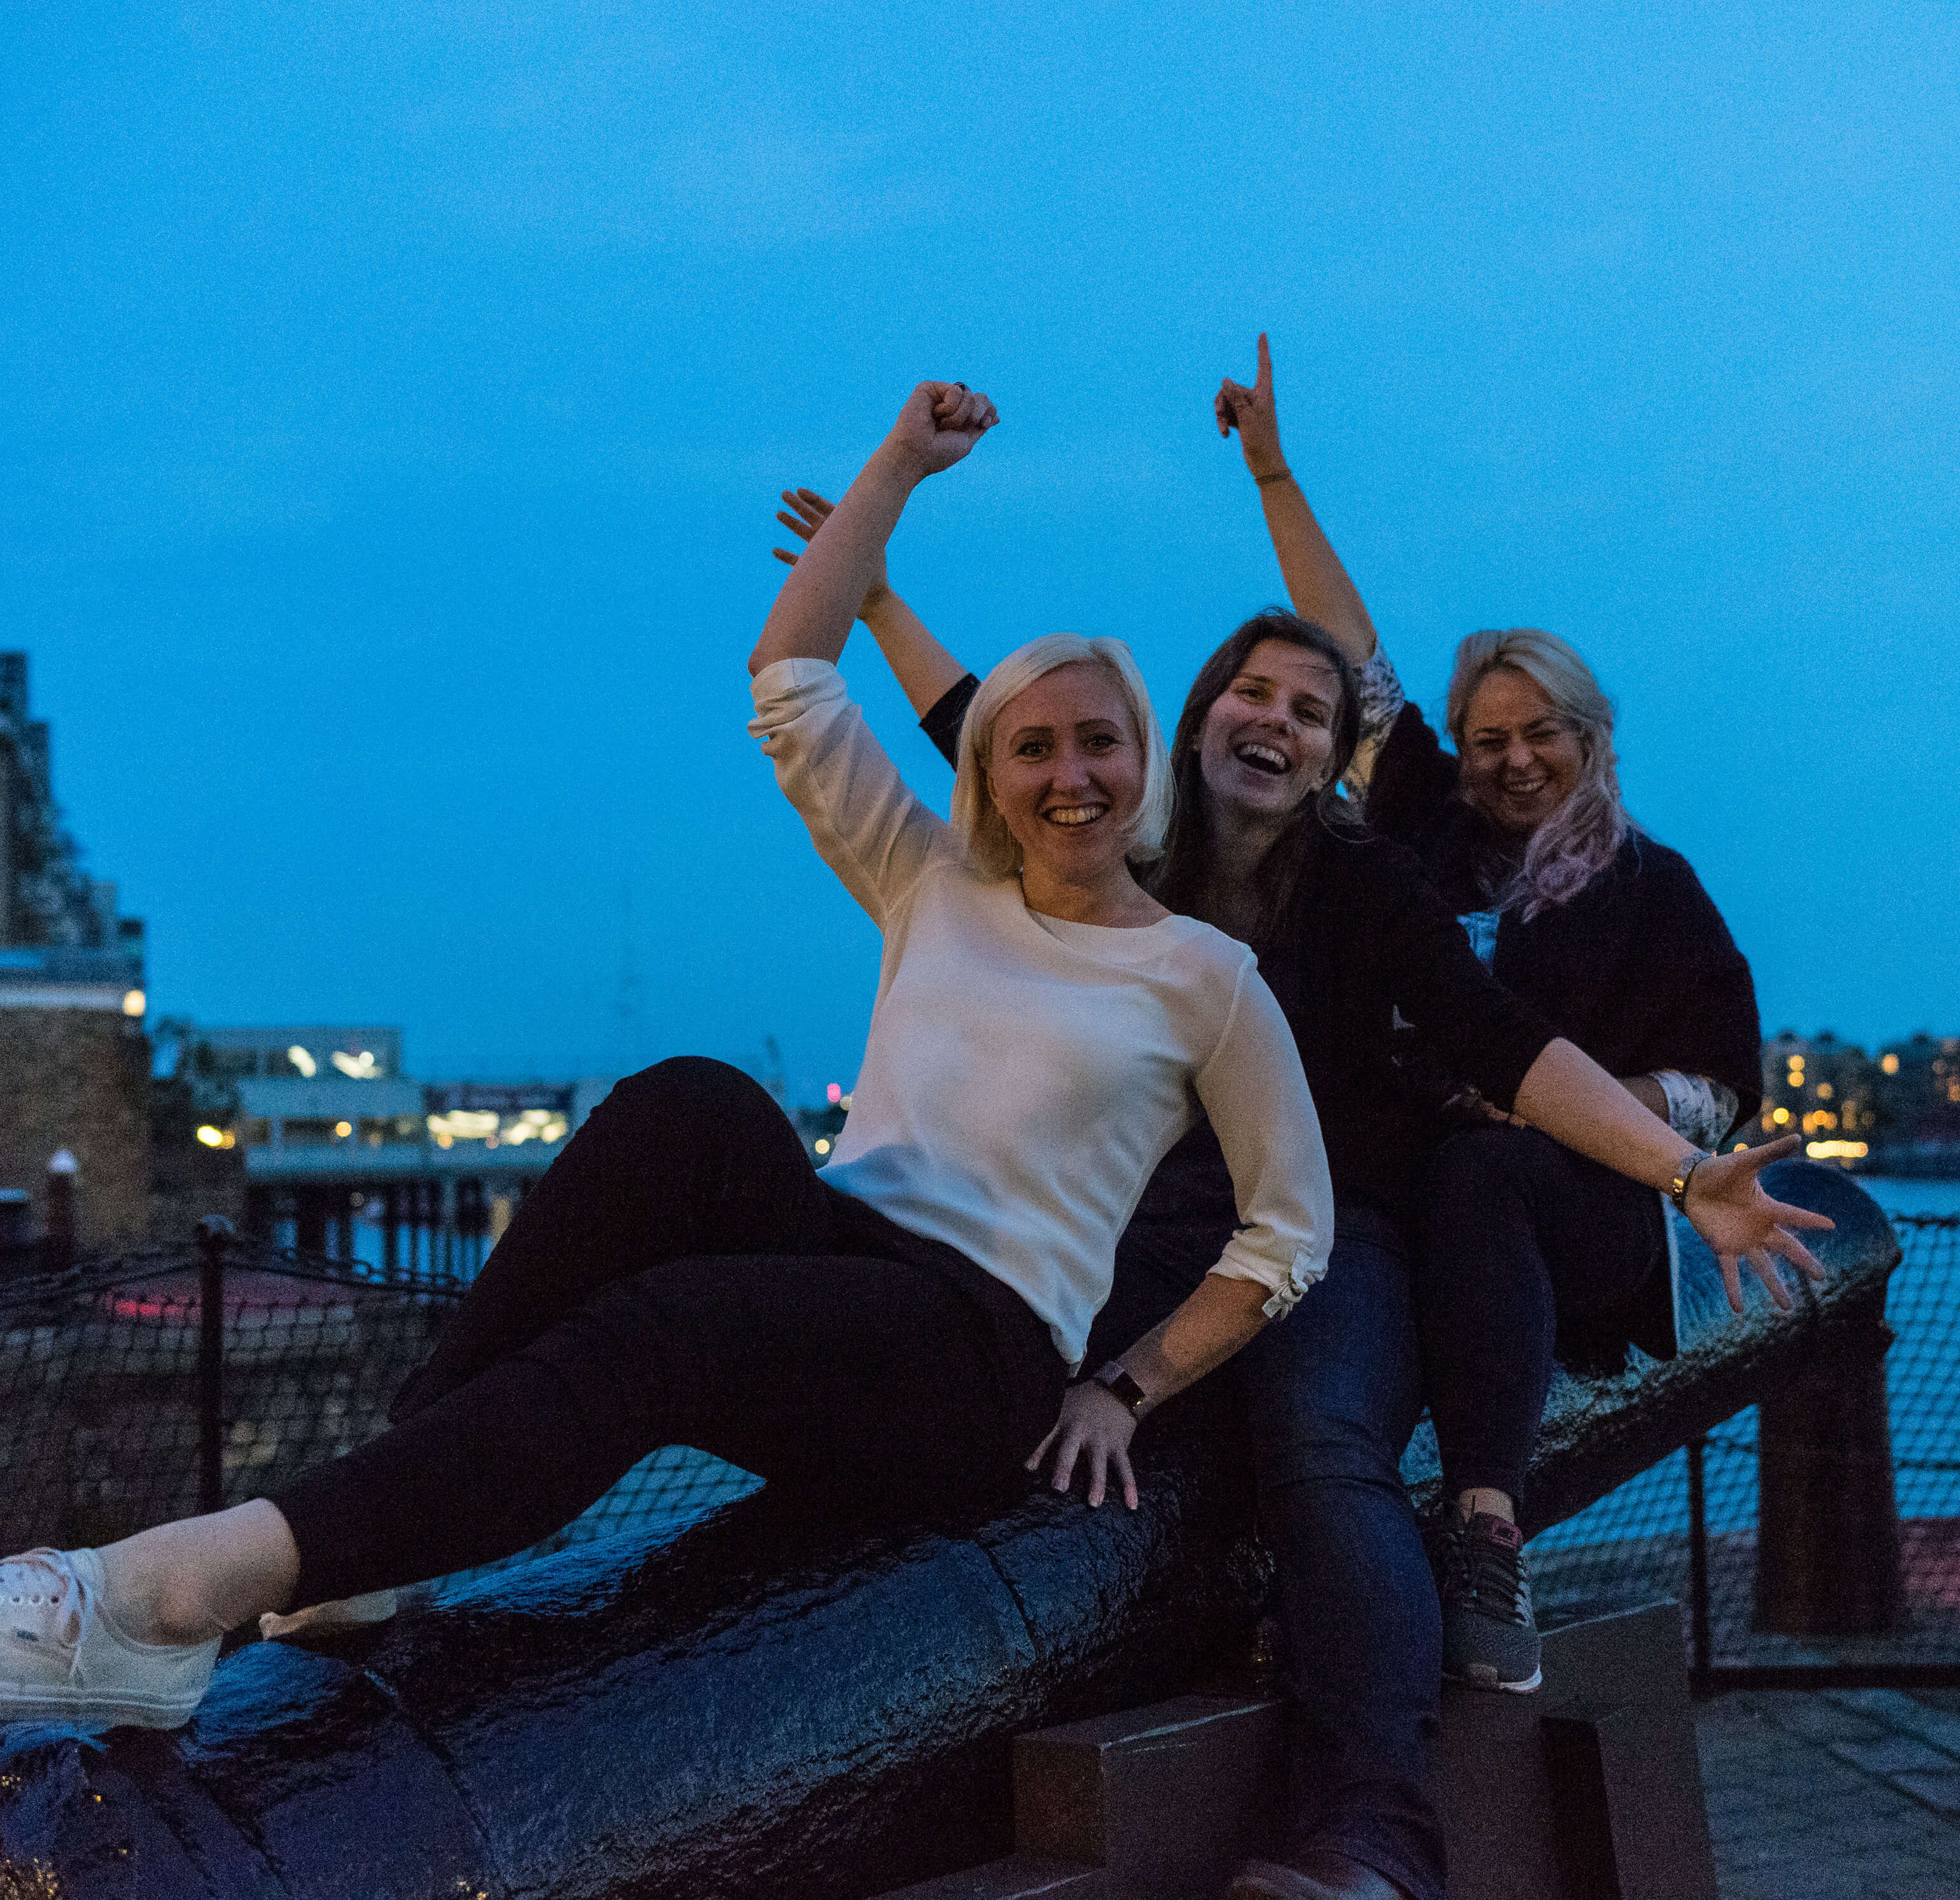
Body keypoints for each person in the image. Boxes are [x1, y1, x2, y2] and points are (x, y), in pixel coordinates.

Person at [0, 380, 1335, 1738]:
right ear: (990, 773)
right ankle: (378, 1534)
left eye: (1101, 743)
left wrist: (1126, 1387)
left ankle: (146, 1603)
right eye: (1033, 745)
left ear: (1144, 763)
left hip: (974, 1351)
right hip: (848, 1249)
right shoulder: (937, 885)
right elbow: (791, 676)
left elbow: (1291, 1228)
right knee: (692, 1103)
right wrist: (895, 468)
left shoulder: (1203, 975)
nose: (1069, 773)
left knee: (661, 1329)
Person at [771, 395, 1824, 1900]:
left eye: (1310, 712)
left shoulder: (1369, 889)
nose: (1274, 720)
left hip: (1323, 1225)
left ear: (1338, 759)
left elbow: (1506, 1052)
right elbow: (977, 722)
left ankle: (1373, 1840)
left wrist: (1677, 1172)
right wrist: (874, 591)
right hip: (1145, 1219)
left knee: (1323, 1448)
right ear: (1196, 722)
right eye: (1249, 696)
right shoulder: (1134, 839)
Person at [1206, 338, 1772, 1706]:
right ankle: (1299, 1560)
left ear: (1593, 739)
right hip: (1395, 1186)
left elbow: (1719, 1076)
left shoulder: (1651, 888)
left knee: (1485, 1163)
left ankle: (1482, 1528)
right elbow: (1350, 652)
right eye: (1490, 736)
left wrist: (1628, 1114)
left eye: (1545, 735)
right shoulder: (1421, 832)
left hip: (1572, 1197)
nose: (1515, 761)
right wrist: (1275, 473)